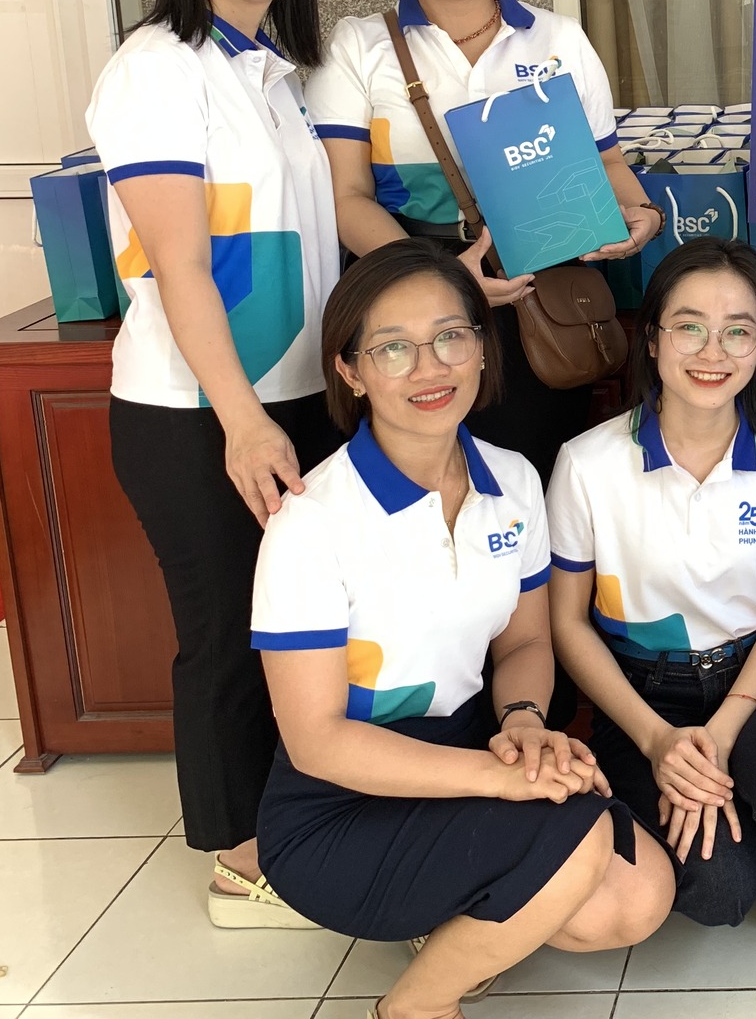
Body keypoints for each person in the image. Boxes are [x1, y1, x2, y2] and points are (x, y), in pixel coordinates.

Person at [250, 240, 674, 1016]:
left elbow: (525, 642)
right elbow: (317, 743)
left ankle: (446, 911)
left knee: (637, 895)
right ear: (351, 371)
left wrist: (524, 725)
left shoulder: (512, 480)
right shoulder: (311, 521)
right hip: (340, 802)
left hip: (471, 745)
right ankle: (415, 1006)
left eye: (451, 336)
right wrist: (500, 780)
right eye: (393, 348)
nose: (430, 367)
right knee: (582, 845)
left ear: (481, 347)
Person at [87, 0, 343, 927]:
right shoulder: (156, 67)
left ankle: (300, 824)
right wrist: (240, 419)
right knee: (230, 633)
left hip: (292, 397)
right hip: (198, 411)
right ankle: (242, 863)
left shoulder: (272, 71)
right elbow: (180, 263)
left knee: (296, 623)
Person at [307, 0, 662, 485]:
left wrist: (642, 215)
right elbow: (346, 197)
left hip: (538, 302)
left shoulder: (558, 40)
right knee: (416, 485)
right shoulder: (358, 46)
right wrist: (439, 285)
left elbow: (607, 164)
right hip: (407, 304)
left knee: (530, 482)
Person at [546, 238, 756, 929]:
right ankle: (743, 819)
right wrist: (659, 742)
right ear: (652, 339)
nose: (714, 352)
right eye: (690, 327)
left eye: (738, 331)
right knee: (718, 892)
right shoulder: (588, 464)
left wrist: (725, 726)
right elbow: (566, 624)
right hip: (645, 694)